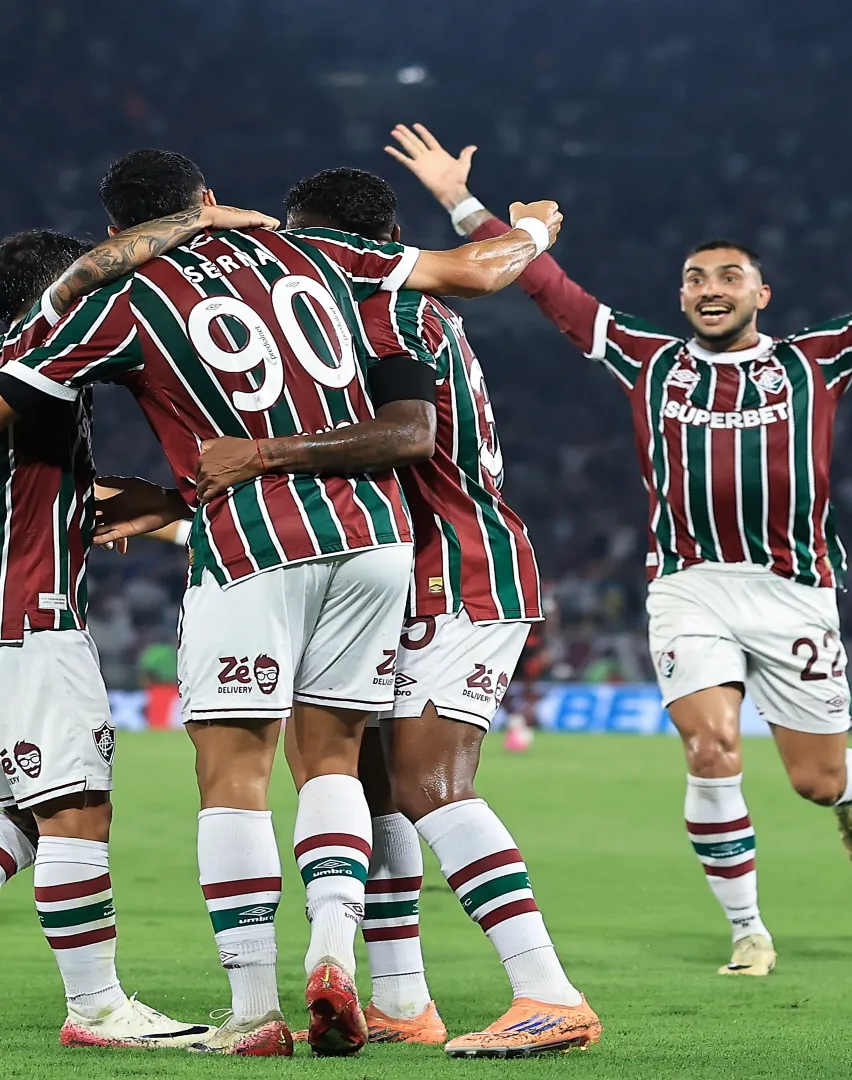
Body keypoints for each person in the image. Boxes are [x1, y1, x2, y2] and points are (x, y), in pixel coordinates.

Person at [0, 148, 561, 1057]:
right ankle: (341, 957)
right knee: (337, 759)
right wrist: (529, 223)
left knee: (230, 778)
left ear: (117, 235)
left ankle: (251, 1010)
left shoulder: (114, 301)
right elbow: (470, 275)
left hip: (235, 543)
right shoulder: (308, 254)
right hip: (378, 535)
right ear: (211, 200)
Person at [389, 123, 852, 976]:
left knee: (813, 778)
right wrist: (458, 199)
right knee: (711, 749)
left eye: (729, 277)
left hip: (793, 592)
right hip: (688, 585)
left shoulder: (818, 359)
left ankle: (850, 785)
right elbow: (545, 284)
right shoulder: (648, 360)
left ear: (762, 294)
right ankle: (748, 930)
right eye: (695, 278)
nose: (709, 288)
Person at [0, 204, 275, 1050]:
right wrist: (200, 217)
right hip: (25, 626)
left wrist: (157, 499)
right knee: (78, 816)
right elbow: (84, 281)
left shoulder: (3, 378)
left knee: (30, 821)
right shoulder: (36, 359)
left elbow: (35, 482)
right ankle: (99, 1008)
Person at [258, 167, 600, 1057]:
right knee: (374, 788)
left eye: (301, 241)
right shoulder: (402, 316)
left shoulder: (379, 308)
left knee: (426, 780)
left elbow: (396, 438)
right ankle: (404, 1000)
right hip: (407, 571)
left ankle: (548, 992)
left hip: (459, 566)